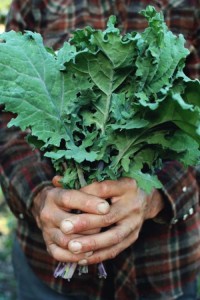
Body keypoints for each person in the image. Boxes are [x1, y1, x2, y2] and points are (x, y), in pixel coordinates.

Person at [0, 0, 200, 299]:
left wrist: (156, 196)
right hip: (47, 271)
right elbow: (6, 118)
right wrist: (40, 197)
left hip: (164, 270)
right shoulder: (34, 3)